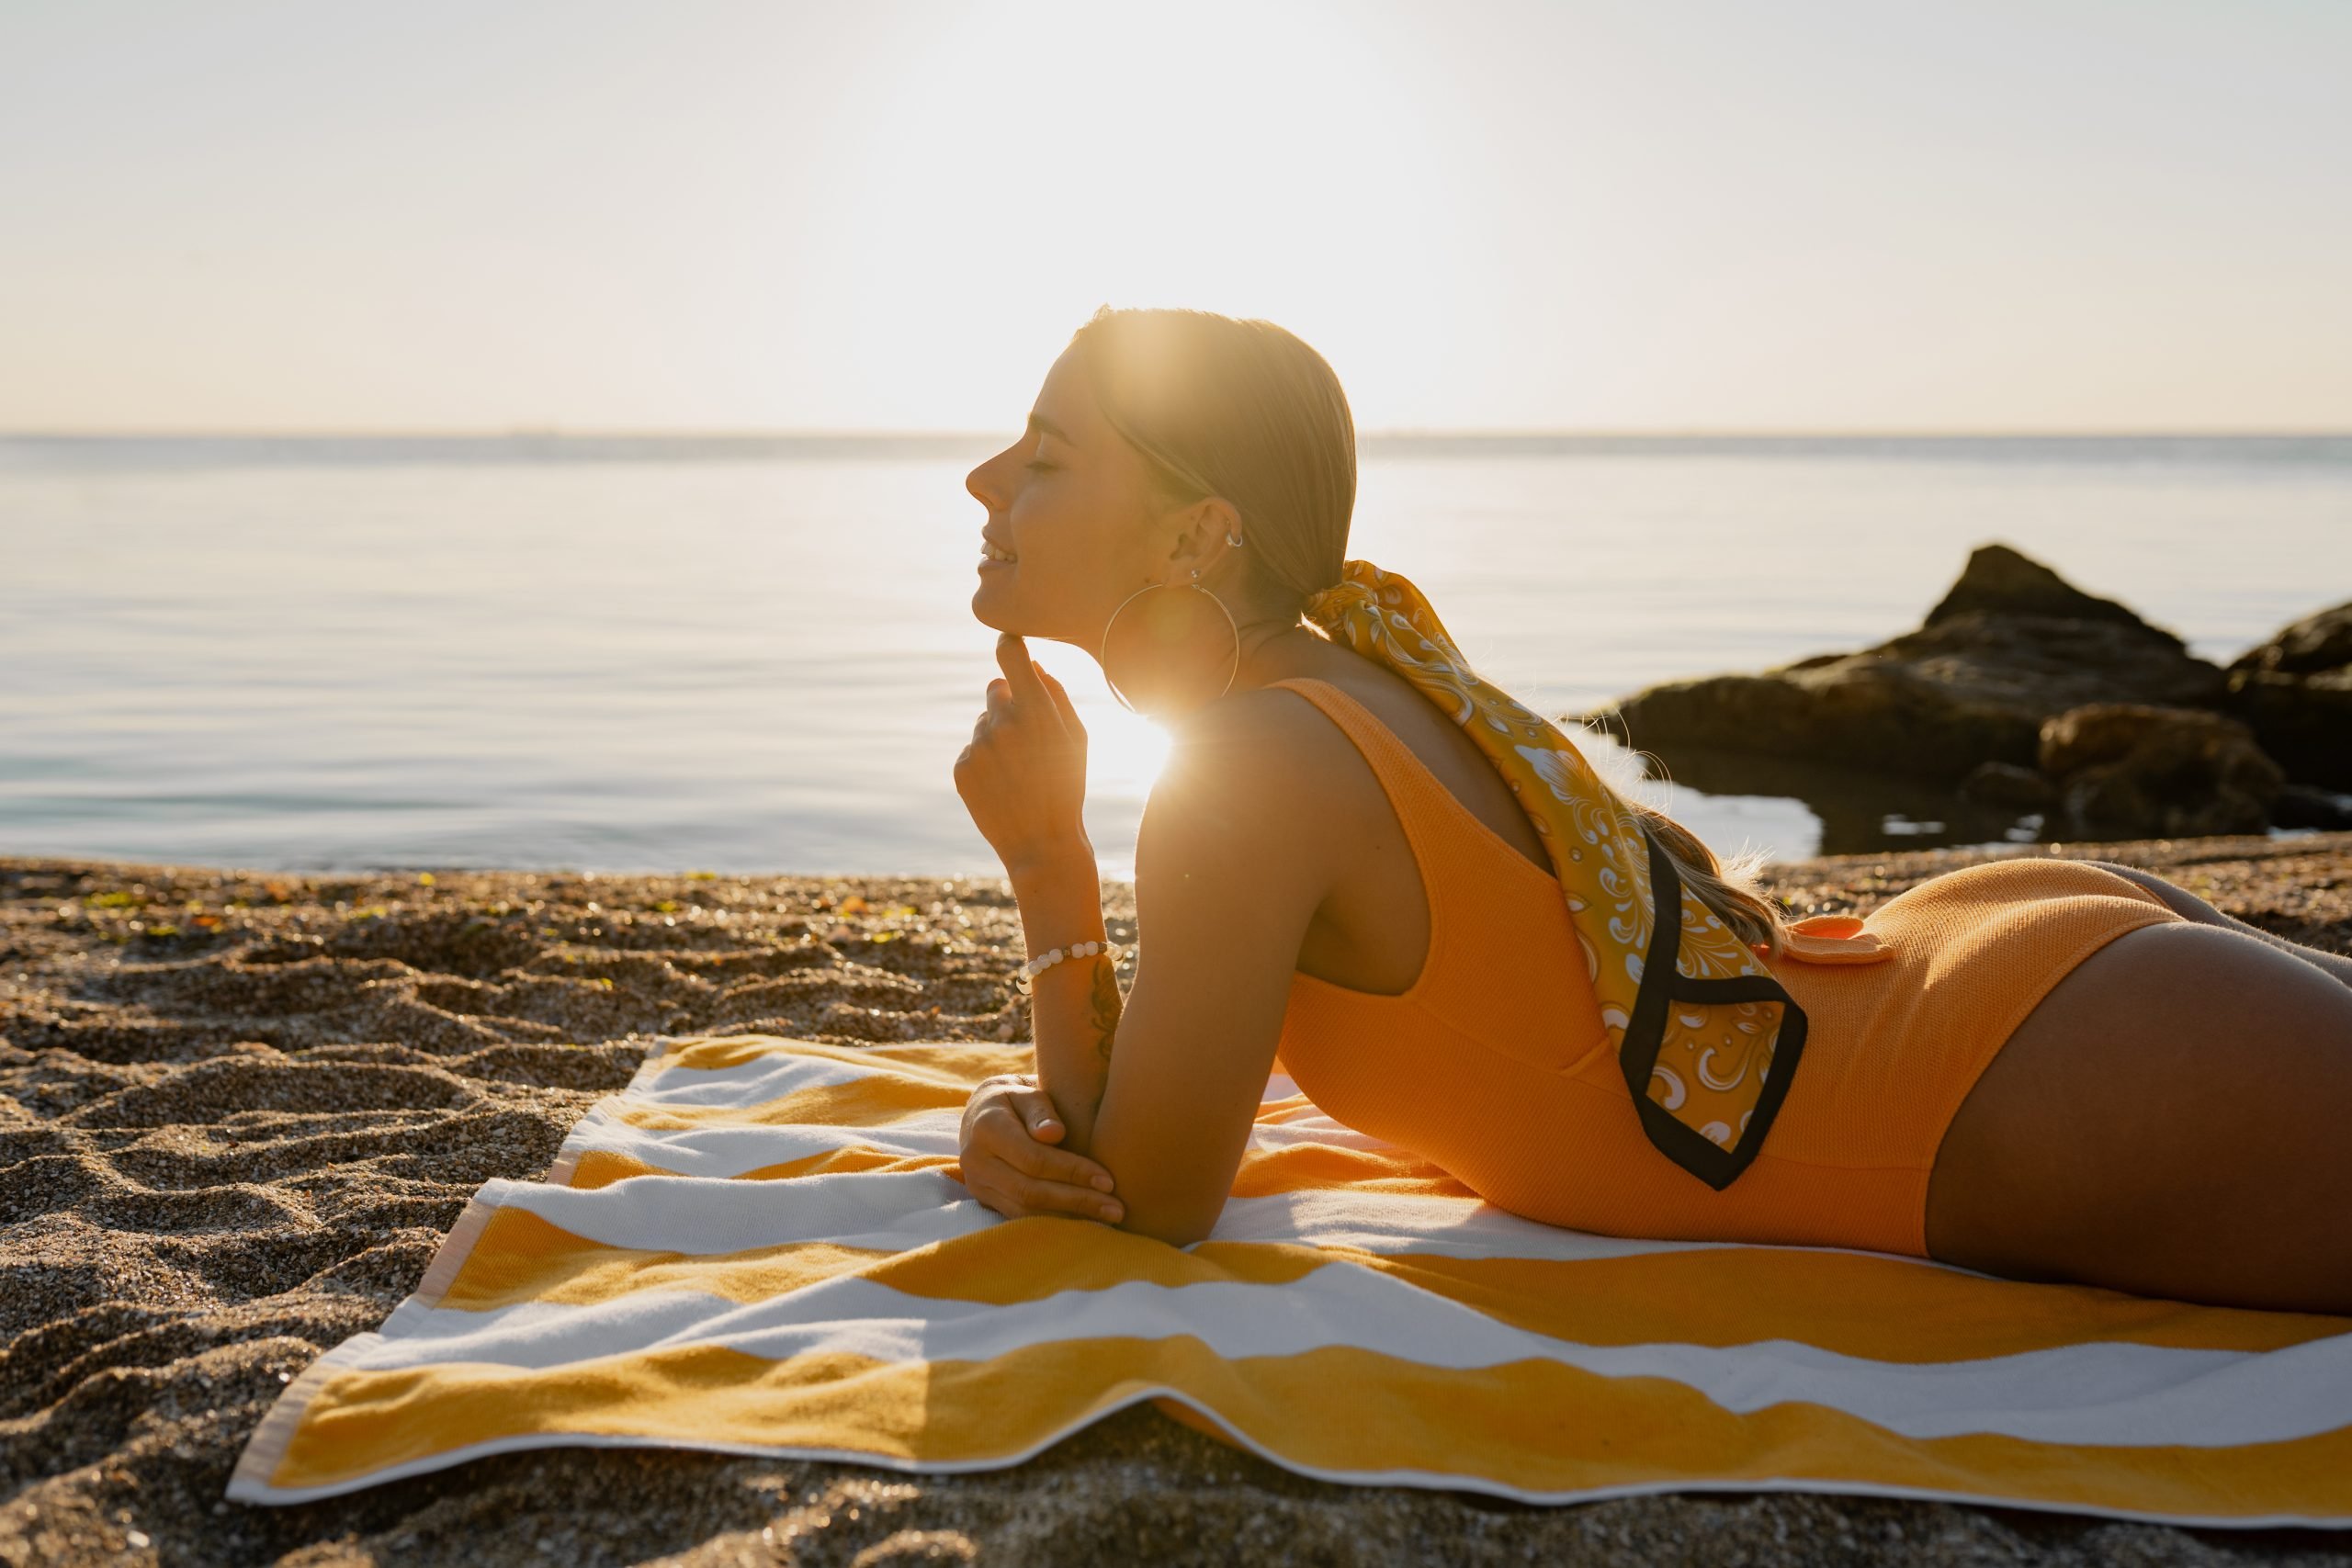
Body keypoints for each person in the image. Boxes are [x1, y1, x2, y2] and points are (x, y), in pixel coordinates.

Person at [951, 305, 2352, 1315]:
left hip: (1993, 1075)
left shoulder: (1254, 764)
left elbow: (1145, 1204)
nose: (985, 480)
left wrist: (1043, 863)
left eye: (1048, 456)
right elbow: (1135, 1143)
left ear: (1200, 535)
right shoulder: (1341, 695)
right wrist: (1039, 1105)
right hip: (1992, 1008)